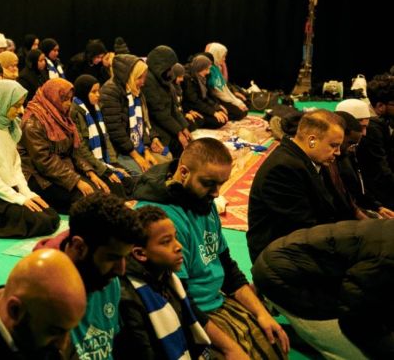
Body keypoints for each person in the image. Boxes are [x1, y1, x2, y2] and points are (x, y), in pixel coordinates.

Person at [134, 138, 289, 359]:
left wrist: (261, 314)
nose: (216, 193)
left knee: (275, 346)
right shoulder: (162, 221)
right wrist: (229, 347)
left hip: (216, 301)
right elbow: (179, 300)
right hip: (189, 314)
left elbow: (228, 268)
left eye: (221, 184)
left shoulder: (202, 201)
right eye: (209, 183)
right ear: (184, 172)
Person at [253, 220, 394, 359]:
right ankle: (273, 324)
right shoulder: (387, 259)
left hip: (314, 268)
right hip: (282, 277)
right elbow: (353, 316)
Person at [34, 193, 139, 360]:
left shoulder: (108, 281)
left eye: (124, 257)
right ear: (79, 247)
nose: (121, 270)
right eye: (112, 258)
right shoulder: (40, 298)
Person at [247, 109, 354, 263]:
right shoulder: (283, 169)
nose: (337, 152)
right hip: (279, 258)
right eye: (333, 145)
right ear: (312, 141)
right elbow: (303, 228)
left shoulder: (312, 159)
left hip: (302, 244)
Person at [115, 205, 212, 359]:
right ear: (140, 253)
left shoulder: (167, 277)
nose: (179, 246)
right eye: (166, 242)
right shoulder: (128, 299)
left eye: (176, 237)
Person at [0, 80, 59, 238]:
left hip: (8, 189)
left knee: (50, 216)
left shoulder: (9, 126)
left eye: (21, 104)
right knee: (39, 222)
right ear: (0, 102)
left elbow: (15, 166)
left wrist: (27, 193)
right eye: (15, 105)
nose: (20, 110)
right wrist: (18, 199)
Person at [19, 78, 101, 214]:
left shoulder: (61, 116)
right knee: (86, 202)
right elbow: (45, 162)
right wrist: (76, 181)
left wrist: (90, 172)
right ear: (52, 97)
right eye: (64, 99)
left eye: (70, 99)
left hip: (62, 171)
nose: (68, 104)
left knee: (101, 188)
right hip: (39, 178)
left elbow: (74, 151)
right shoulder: (33, 123)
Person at [70, 75, 135, 199]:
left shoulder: (96, 108)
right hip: (91, 165)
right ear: (84, 92)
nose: (98, 95)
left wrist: (114, 164)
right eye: (93, 92)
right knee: (116, 187)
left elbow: (105, 139)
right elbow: (82, 150)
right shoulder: (75, 113)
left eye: (98, 91)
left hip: (104, 161)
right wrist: (104, 170)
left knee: (129, 179)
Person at [99, 54, 164, 178]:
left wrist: (146, 149)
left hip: (133, 147)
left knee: (164, 160)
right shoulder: (110, 92)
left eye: (144, 78)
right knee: (142, 174)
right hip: (119, 150)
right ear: (129, 75)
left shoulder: (134, 90)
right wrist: (137, 156)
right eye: (140, 78)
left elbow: (141, 124)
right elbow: (115, 131)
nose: (143, 82)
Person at [334, 110, 394, 218]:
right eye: (362, 127)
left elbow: (356, 187)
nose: (365, 133)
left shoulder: (347, 154)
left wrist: (377, 207)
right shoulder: (335, 157)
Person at [142, 45, 192, 157]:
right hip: (155, 124)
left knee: (188, 138)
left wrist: (184, 127)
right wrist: (178, 132)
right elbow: (158, 113)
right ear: (161, 65)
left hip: (166, 120)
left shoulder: (164, 76)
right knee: (178, 145)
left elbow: (172, 106)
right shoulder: (148, 80)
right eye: (170, 66)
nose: (172, 69)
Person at [356, 74, 394, 209]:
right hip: (378, 196)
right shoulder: (371, 128)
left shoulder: (381, 120)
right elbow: (381, 170)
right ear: (380, 106)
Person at [181, 54, 228, 129]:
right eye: (206, 69)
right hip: (191, 107)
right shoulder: (189, 79)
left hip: (200, 105)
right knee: (218, 121)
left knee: (223, 115)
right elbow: (194, 101)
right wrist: (213, 112)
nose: (208, 72)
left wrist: (216, 107)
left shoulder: (202, 78)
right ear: (200, 68)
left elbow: (206, 97)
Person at [204, 43, 247, 120]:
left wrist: (237, 102)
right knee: (240, 113)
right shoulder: (209, 69)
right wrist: (236, 103)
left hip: (222, 97)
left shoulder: (216, 68)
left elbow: (224, 87)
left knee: (244, 107)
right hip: (215, 100)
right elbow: (217, 93)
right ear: (217, 54)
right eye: (223, 56)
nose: (224, 59)